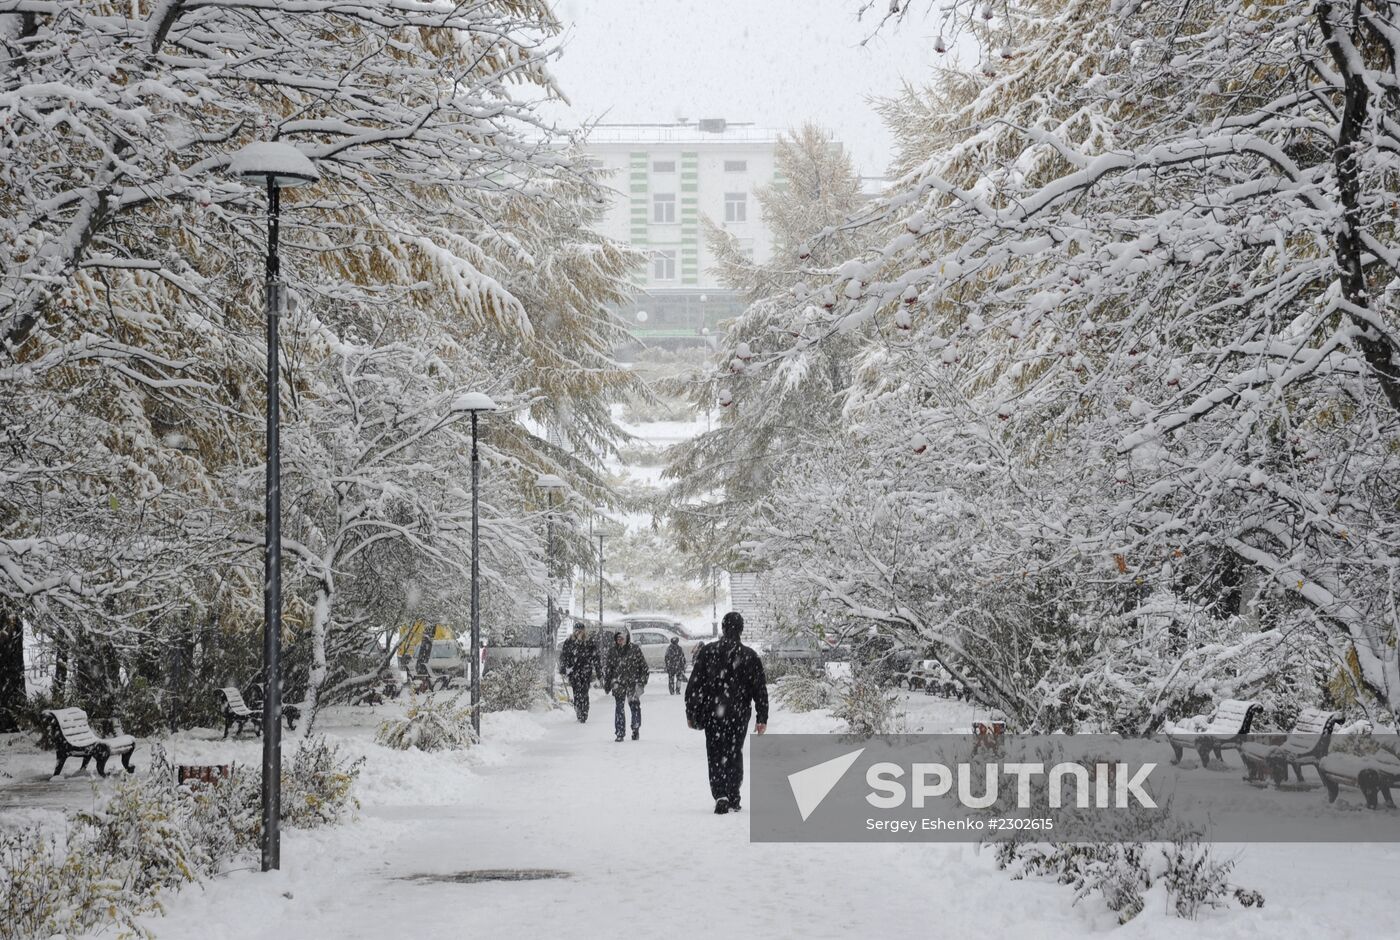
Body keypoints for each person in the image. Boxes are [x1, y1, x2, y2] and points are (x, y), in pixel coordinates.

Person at [685, 611, 768, 815]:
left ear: (723, 628)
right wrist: (761, 717)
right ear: (741, 629)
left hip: (713, 712)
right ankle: (733, 794)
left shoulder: (708, 652)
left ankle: (720, 794)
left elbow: (695, 685)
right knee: (734, 752)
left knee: (715, 753)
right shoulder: (749, 656)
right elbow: (759, 689)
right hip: (738, 714)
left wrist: (691, 712)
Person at [604, 628, 648, 742]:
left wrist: (642, 681)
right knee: (619, 707)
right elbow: (608, 669)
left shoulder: (635, 649)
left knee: (634, 706)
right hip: (618, 683)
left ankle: (635, 728)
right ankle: (620, 732)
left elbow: (644, 667)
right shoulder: (612, 651)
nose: (620, 640)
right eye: (618, 638)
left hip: (633, 683)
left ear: (627, 638)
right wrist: (607, 683)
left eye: (622, 638)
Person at [558, 622, 601, 722]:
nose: (578, 632)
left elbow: (596, 657)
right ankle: (578, 711)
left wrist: (598, 670)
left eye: (580, 631)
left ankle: (584, 712)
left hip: (586, 671)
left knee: (584, 692)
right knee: (576, 693)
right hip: (573, 671)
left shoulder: (589, 642)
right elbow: (564, 656)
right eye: (576, 630)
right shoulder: (569, 642)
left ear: (584, 631)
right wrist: (563, 668)